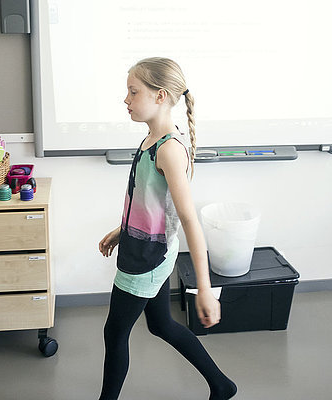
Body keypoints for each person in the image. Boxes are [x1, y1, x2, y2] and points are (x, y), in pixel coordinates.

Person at [97, 57, 237, 400]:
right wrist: (123, 228)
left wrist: (204, 289)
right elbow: (152, 203)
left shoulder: (169, 150)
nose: (126, 100)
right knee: (160, 324)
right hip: (145, 247)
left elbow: (189, 220)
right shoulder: (151, 139)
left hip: (147, 258)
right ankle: (222, 385)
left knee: (115, 333)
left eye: (133, 92)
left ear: (160, 96)